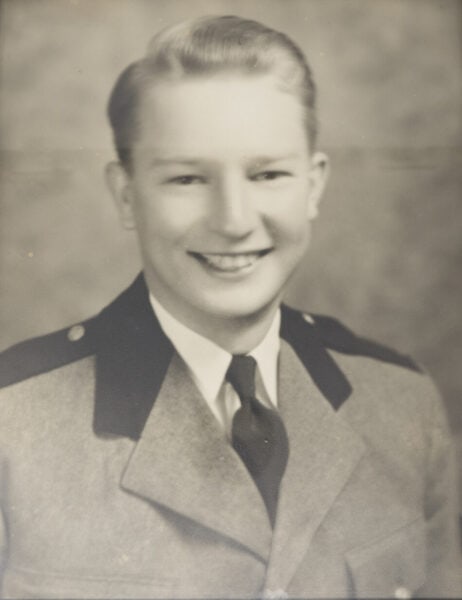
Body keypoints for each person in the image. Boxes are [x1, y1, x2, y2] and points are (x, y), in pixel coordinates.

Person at [0, 15, 460, 600]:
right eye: (188, 179)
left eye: (268, 173)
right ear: (126, 194)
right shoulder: (13, 427)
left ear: (313, 186)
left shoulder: (400, 404)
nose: (234, 220)